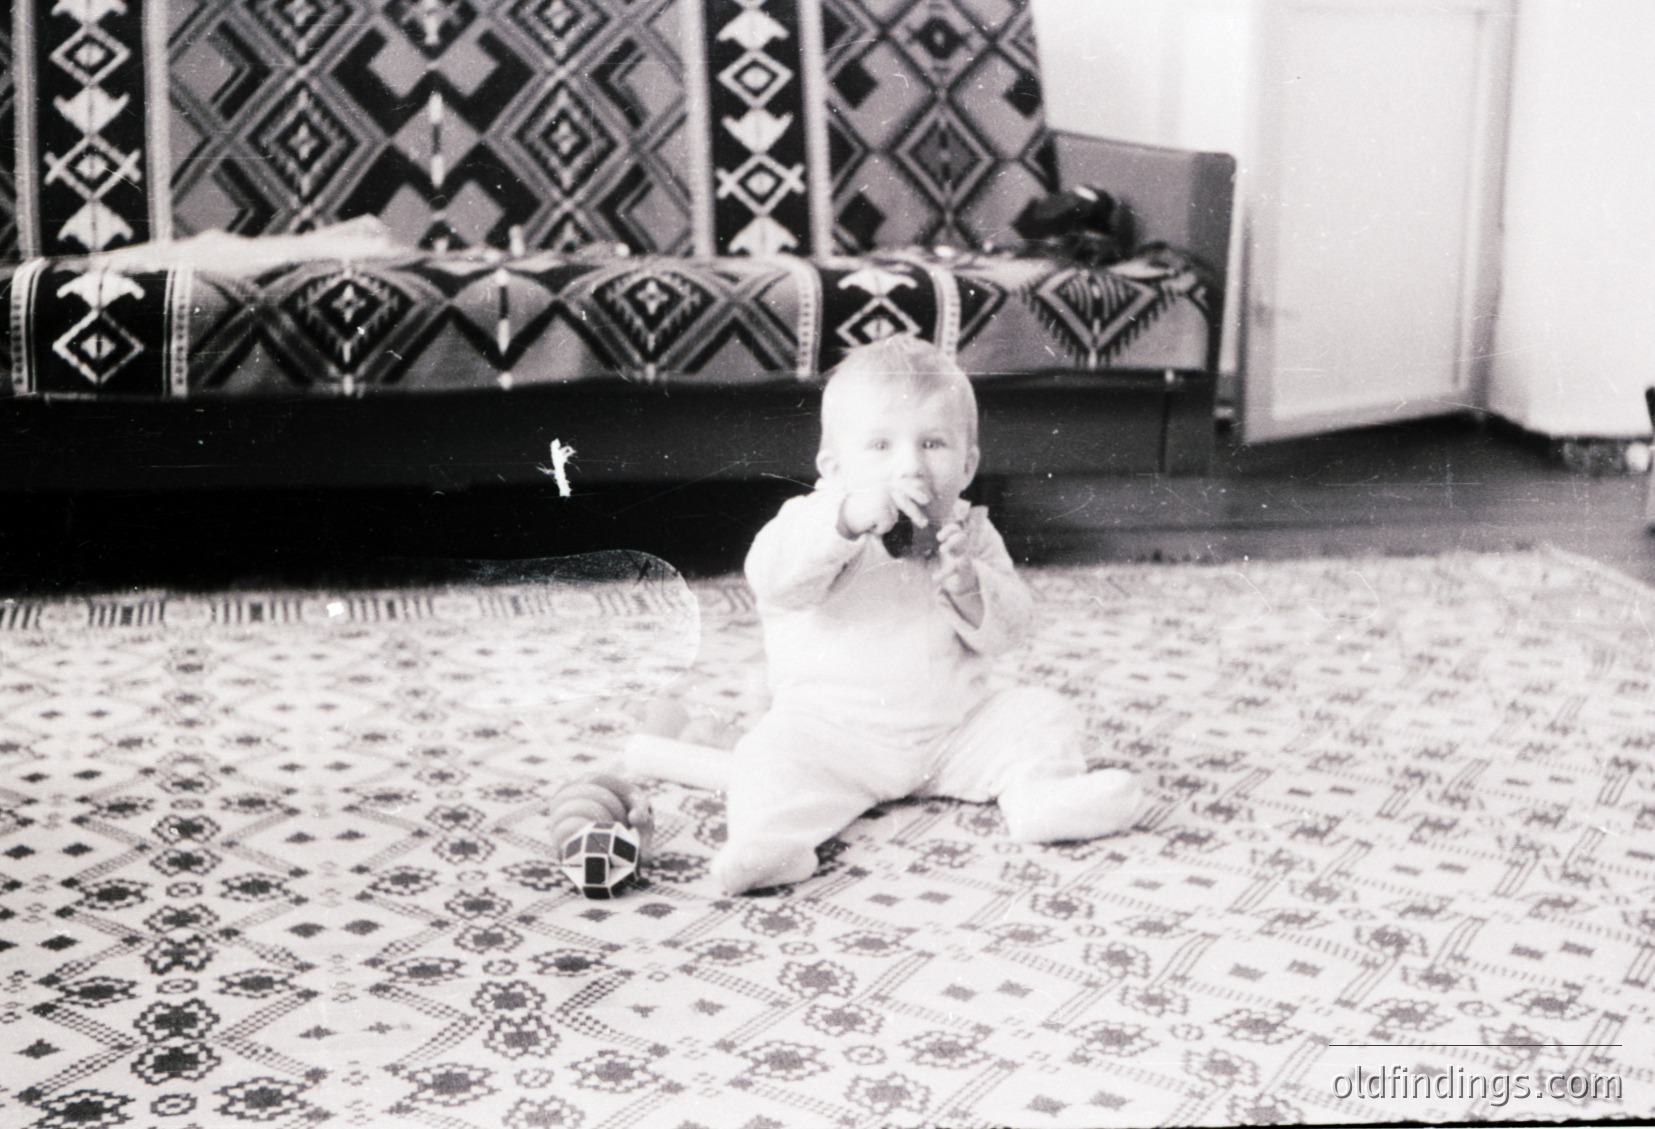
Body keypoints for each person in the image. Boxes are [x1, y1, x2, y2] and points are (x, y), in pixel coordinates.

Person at [626, 335, 1141, 894]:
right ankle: (769, 843)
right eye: (880, 446)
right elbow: (773, 581)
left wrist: (973, 588)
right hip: (833, 733)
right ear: (834, 466)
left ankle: (1042, 798)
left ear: (967, 465)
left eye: (934, 443)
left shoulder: (970, 533)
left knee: (1041, 713)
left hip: (955, 730)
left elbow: (1014, 631)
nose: (910, 466)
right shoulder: (812, 521)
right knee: (767, 756)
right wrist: (845, 522)